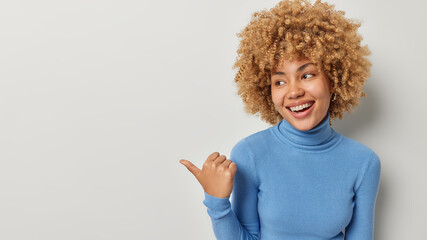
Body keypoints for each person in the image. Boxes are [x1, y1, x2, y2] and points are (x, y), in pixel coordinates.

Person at [179, 0, 381, 239]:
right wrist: (217, 203)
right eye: (280, 81)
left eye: (307, 75)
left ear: (334, 80)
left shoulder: (363, 162)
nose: (293, 91)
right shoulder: (250, 153)